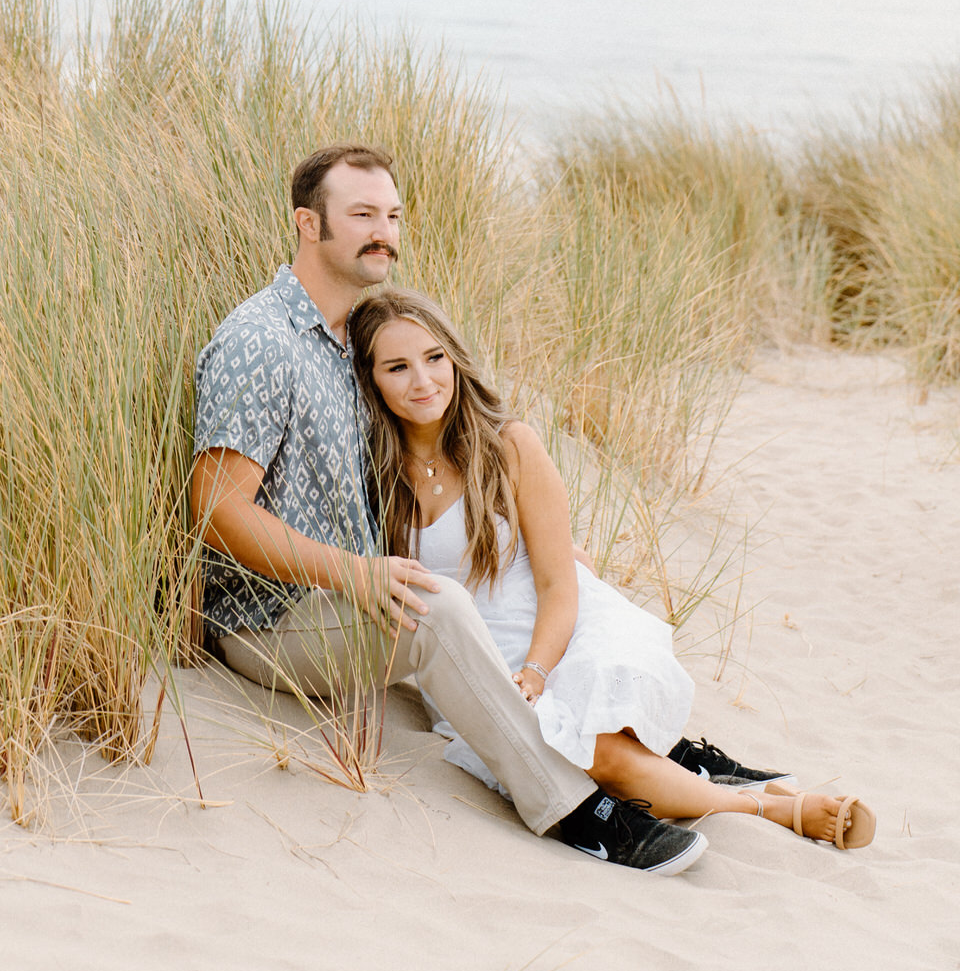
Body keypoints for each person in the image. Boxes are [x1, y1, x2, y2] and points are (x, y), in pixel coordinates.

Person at [192, 142, 711, 874]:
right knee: (437, 607)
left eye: (394, 215)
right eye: (362, 214)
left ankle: (653, 749)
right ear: (309, 225)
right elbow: (216, 509)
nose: (385, 232)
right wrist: (357, 574)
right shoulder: (261, 342)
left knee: (525, 591)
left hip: (343, 604)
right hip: (272, 620)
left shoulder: (349, 342)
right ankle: (577, 812)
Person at [348, 287, 877, 853]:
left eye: (434, 358)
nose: (423, 381)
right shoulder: (372, 470)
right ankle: (743, 794)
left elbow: (558, 582)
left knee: (600, 750)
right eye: (397, 367)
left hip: (553, 635)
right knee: (592, 758)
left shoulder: (509, 447)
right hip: (471, 659)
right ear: (371, 379)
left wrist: (536, 671)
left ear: (454, 358)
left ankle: (775, 808)